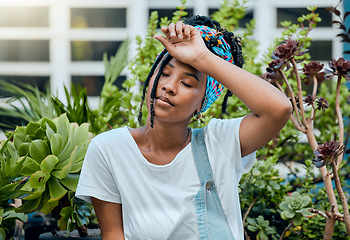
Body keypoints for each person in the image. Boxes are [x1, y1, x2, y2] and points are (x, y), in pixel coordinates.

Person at [75, 15, 292, 240]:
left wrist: (201, 57)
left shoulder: (219, 144)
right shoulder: (109, 149)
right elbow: (113, 235)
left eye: (187, 83)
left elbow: (278, 109)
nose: (169, 87)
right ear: (150, 79)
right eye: (164, 74)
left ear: (201, 105)